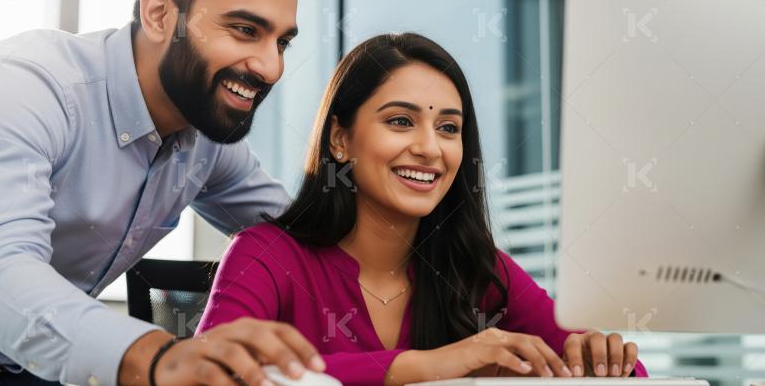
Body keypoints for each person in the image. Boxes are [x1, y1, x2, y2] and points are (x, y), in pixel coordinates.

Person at [196, 33, 648, 385]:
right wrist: (425, 367)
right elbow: (211, 377)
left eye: (448, 128)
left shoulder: (477, 266)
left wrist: (605, 361)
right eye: (400, 121)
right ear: (340, 139)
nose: (430, 148)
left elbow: (626, 374)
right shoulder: (266, 255)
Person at [0, 0, 327, 385]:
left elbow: (298, 239)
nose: (271, 68)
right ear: (158, 14)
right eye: (244, 30)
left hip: (42, 369)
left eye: (281, 42)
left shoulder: (203, 137)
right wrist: (157, 358)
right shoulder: (28, 86)